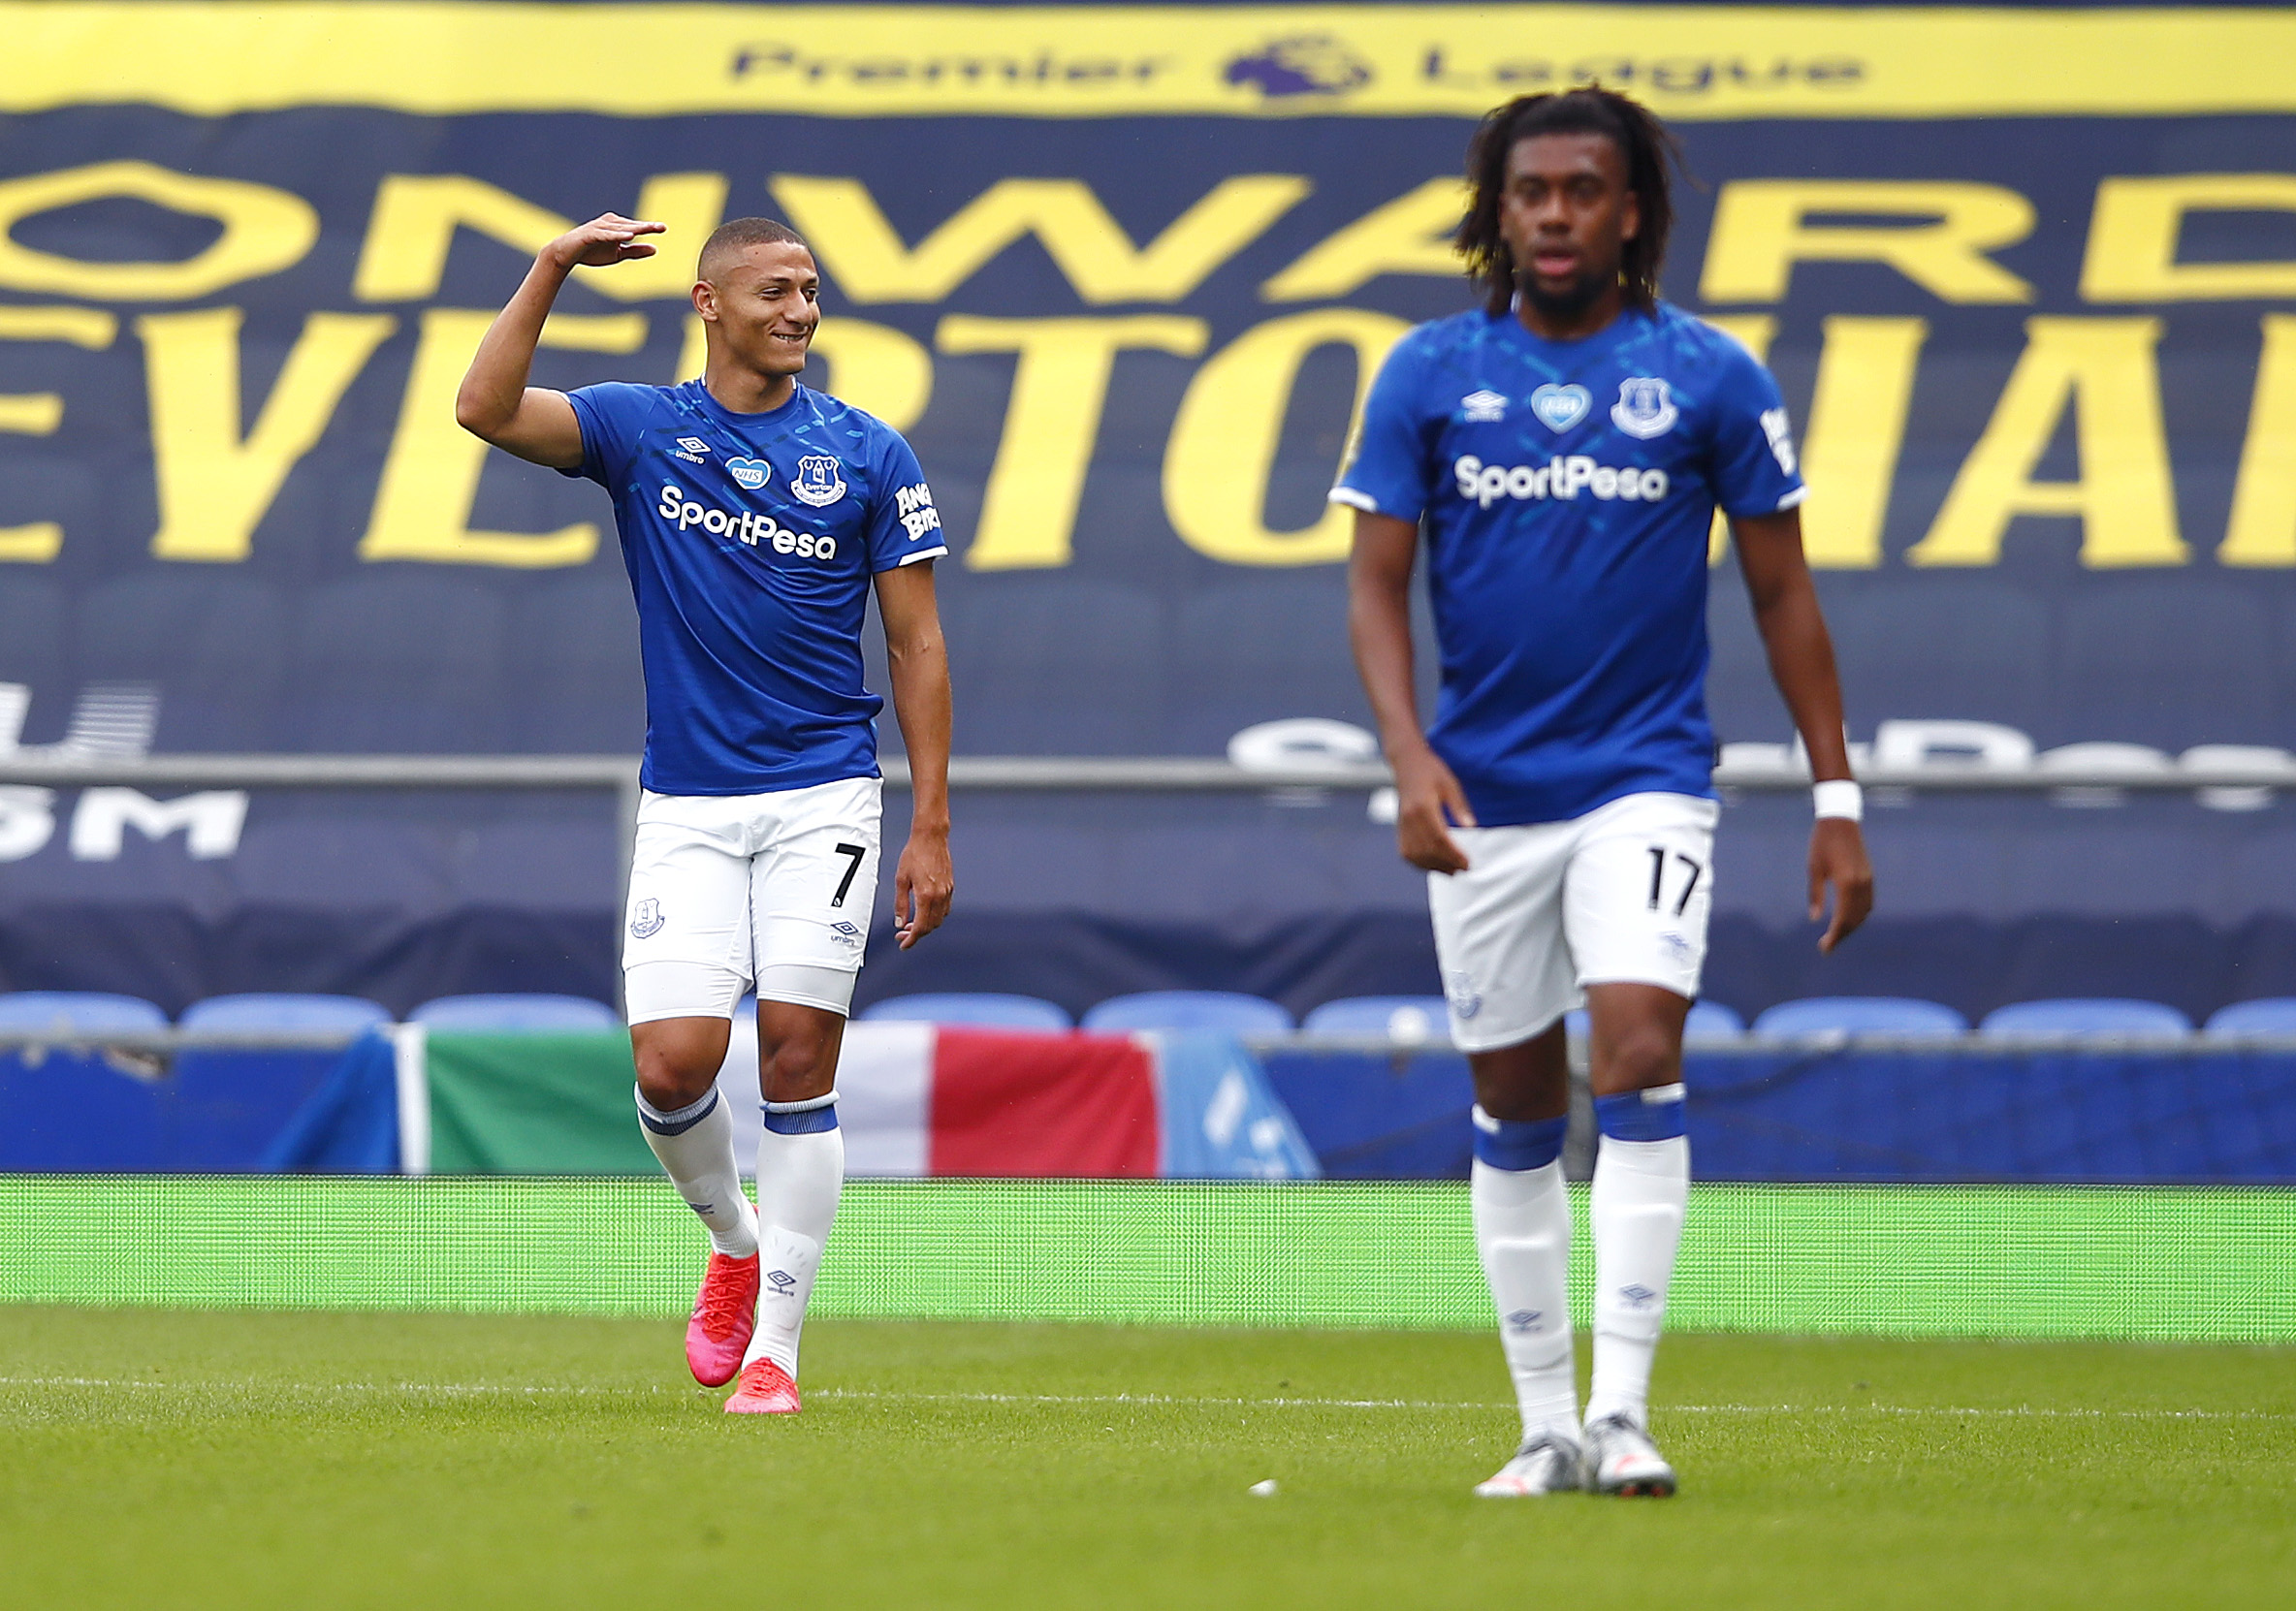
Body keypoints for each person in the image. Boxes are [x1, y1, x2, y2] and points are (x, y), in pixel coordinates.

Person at [1336, 87, 1872, 1497]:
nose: (1557, 213)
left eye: (1584, 189)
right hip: (1483, 798)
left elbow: (1784, 591)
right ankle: (1545, 1427)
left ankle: (1625, 1413)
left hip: (1647, 781)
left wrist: (1839, 796)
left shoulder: (1709, 376)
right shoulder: (1425, 374)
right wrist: (1406, 752)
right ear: (1498, 211)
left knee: (1636, 1048)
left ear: (1631, 209)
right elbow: (1376, 588)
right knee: (1513, 1102)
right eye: (1533, 192)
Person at [457, 211, 954, 1414]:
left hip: (823, 792)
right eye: (777, 288)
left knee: (795, 1053)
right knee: (675, 1068)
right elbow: (482, 408)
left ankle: (777, 1351)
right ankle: (733, 1243)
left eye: (812, 291)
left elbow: (918, 642)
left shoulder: (868, 452)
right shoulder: (642, 429)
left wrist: (929, 821)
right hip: (685, 799)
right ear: (710, 303)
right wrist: (550, 269)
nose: (800, 309)